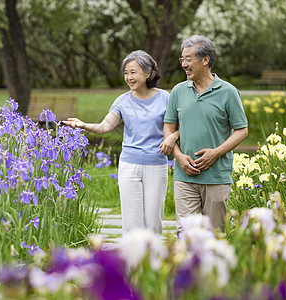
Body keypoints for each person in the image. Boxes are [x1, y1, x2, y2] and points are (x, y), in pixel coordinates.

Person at [63, 50, 178, 235]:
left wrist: (173, 137)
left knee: (153, 223)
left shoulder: (166, 98)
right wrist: (83, 125)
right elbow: (105, 126)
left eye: (133, 72)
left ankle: (152, 263)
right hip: (129, 166)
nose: (128, 77)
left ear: (148, 73)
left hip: (156, 165)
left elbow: (183, 124)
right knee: (132, 224)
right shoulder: (123, 101)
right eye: (126, 73)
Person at [161, 35, 248, 237]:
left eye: (189, 59)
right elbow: (168, 128)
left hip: (216, 176)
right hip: (184, 175)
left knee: (214, 234)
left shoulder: (228, 92)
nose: (184, 64)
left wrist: (215, 153)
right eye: (182, 59)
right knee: (185, 233)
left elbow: (242, 130)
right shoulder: (178, 91)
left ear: (205, 59)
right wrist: (179, 157)